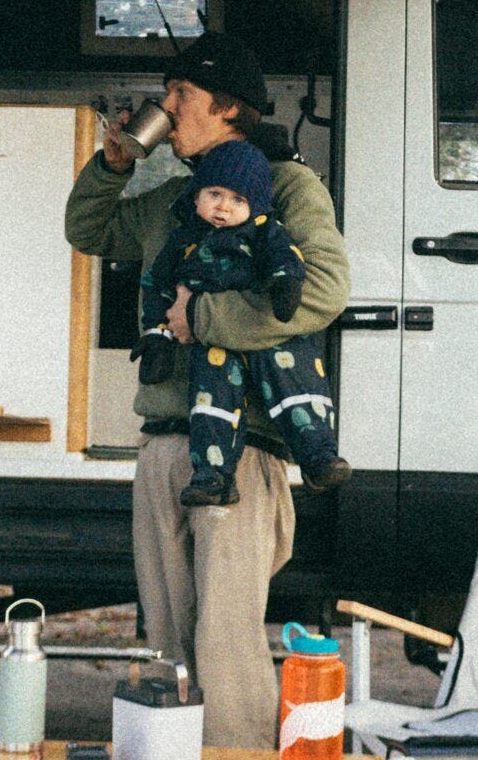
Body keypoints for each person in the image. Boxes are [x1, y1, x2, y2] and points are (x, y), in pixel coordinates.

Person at [66, 31, 349, 760]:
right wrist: (112, 163)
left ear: (226, 103)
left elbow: (322, 289)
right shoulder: (170, 196)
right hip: (164, 440)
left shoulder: (288, 188)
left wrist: (208, 319)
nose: (166, 106)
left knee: (225, 644)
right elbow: (88, 231)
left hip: (248, 444)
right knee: (168, 638)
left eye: (177, 93)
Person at [133, 136, 349, 508]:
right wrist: (157, 334)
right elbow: (157, 285)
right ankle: (213, 476)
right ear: (197, 196)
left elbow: (288, 258)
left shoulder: (265, 231)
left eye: (238, 200)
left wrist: (284, 285)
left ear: (255, 206)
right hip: (212, 343)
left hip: (262, 330)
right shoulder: (183, 240)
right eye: (215, 194)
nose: (224, 208)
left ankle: (318, 456)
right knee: (212, 403)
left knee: (295, 382)